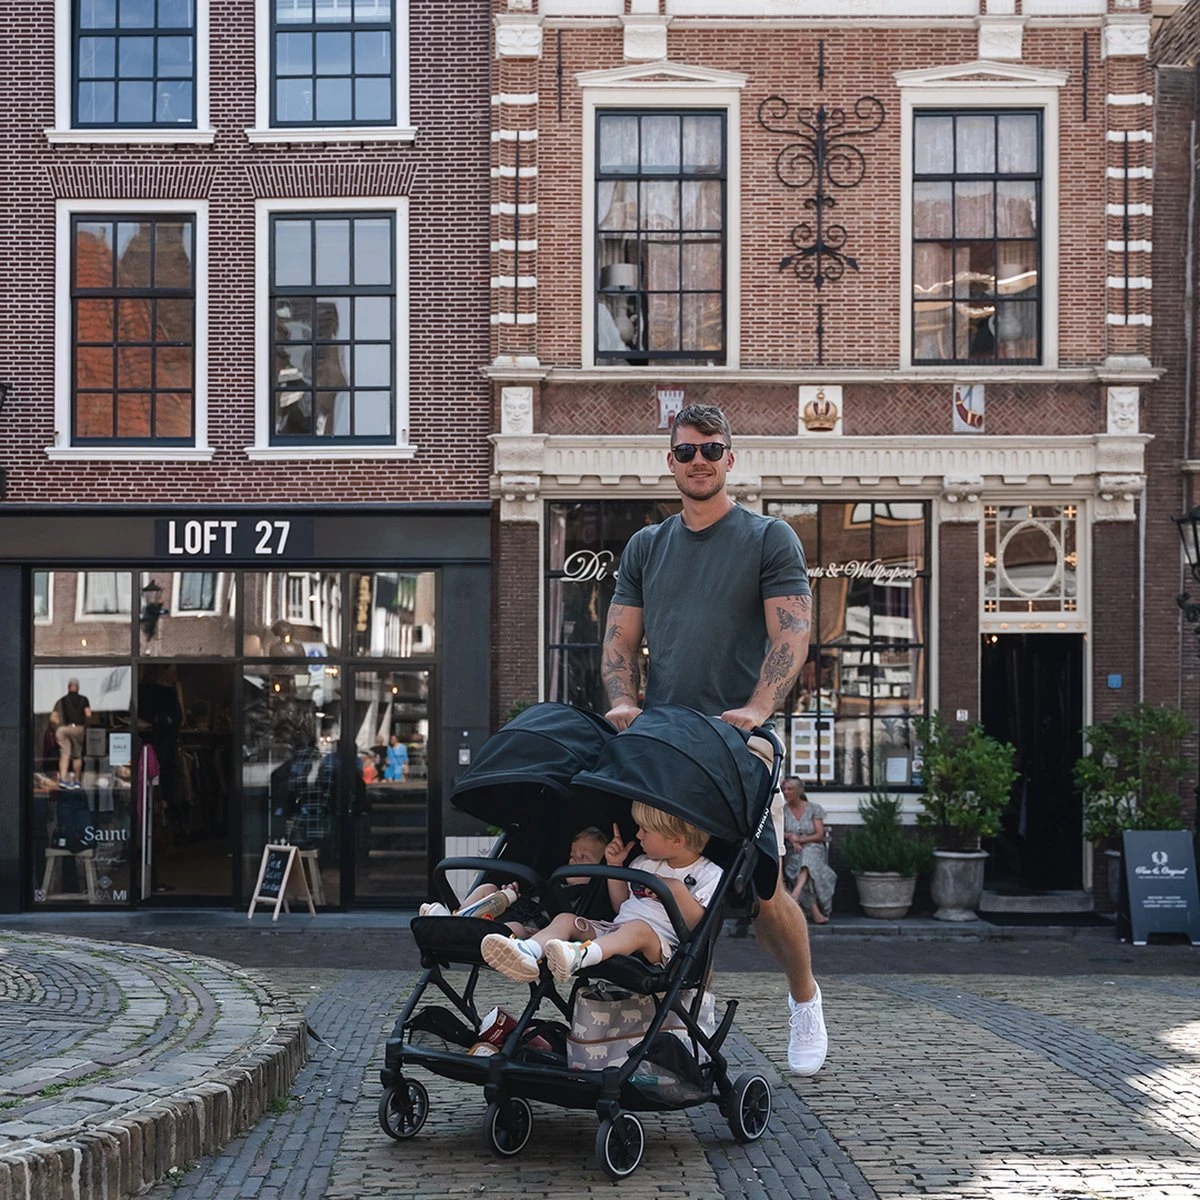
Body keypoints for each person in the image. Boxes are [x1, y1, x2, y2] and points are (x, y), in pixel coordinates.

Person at [600, 403, 828, 1075]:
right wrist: (622, 701)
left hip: (737, 749)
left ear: (730, 457)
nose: (698, 461)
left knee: (761, 893)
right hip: (665, 749)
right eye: (686, 451)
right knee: (650, 880)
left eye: (710, 449)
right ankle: (677, 1012)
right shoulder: (647, 546)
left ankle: (805, 997)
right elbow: (619, 639)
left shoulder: (768, 538)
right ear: (669, 461)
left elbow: (791, 632)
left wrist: (758, 706)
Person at [481, 803, 720, 983]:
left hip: (660, 946)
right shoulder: (643, 863)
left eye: (644, 830)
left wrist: (675, 890)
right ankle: (528, 952)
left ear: (677, 840)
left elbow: (698, 924)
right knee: (566, 919)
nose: (638, 835)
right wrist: (615, 866)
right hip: (616, 930)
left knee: (637, 928)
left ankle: (579, 955)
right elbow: (621, 905)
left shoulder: (708, 873)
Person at [419, 826, 609, 937]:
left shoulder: (589, 897)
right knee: (488, 888)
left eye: (584, 857)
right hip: (511, 912)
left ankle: (457, 929)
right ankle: (453, 921)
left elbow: (564, 929)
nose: (574, 861)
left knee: (514, 928)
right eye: (572, 855)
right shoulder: (554, 881)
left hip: (529, 931)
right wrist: (510, 894)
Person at [782, 776, 835, 925]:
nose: (785, 792)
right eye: (784, 789)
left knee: (808, 854)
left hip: (814, 849)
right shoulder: (783, 811)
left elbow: (819, 835)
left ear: (799, 791)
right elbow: (778, 831)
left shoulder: (813, 808)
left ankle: (796, 892)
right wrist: (790, 837)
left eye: (789, 789)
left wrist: (800, 840)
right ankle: (814, 910)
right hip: (793, 852)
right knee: (800, 866)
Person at [50, 678, 91, 788]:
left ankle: (63, 780)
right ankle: (76, 781)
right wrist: (85, 726)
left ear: (68, 688)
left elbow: (53, 718)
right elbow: (88, 714)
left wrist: (58, 726)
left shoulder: (62, 700)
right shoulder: (84, 699)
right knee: (77, 756)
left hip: (64, 729)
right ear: (78, 688)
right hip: (78, 728)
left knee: (64, 755)